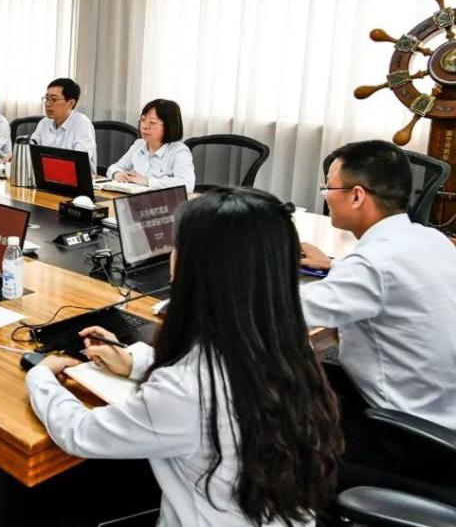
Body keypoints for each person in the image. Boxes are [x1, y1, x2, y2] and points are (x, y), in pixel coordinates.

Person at [27, 187, 343, 527]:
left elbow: (80, 432)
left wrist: (41, 376)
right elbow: (216, 372)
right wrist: (135, 362)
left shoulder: (186, 389)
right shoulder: (284, 343)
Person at [299, 140, 456, 485]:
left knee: (276, 419)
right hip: (442, 413)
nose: (326, 196)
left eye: (329, 187)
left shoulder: (371, 265)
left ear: (357, 195)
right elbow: (390, 282)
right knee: (316, 375)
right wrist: (335, 267)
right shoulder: (431, 239)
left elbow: (284, 311)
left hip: (405, 438)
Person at [106, 98, 195, 192]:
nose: (144, 126)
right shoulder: (139, 144)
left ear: (169, 126)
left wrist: (147, 181)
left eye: (152, 123)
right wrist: (117, 174)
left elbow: (187, 185)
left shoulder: (179, 151)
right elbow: (114, 167)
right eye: (143, 120)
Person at [30, 77, 97, 170]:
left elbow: (79, 162)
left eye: (53, 99)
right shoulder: (44, 123)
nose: (47, 104)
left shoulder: (82, 124)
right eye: (47, 98)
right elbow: (31, 150)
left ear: (71, 103)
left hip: (74, 177)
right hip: (47, 175)